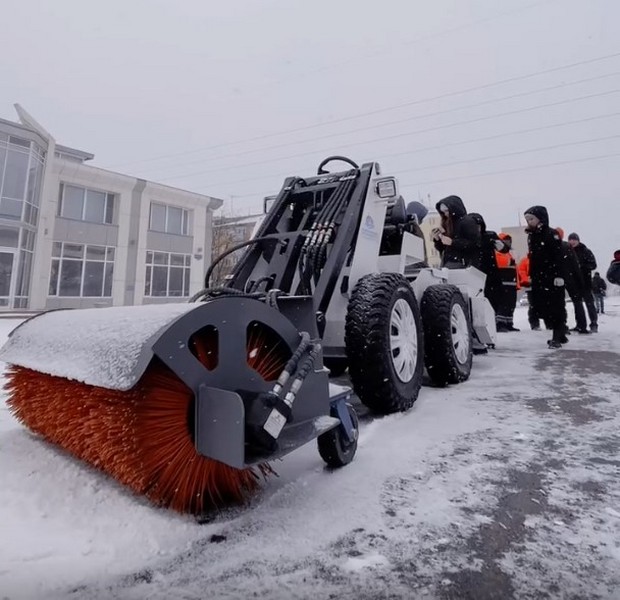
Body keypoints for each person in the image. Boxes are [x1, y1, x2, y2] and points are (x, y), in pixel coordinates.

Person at [523, 206, 568, 349]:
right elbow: (533, 258)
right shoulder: (532, 236)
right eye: (527, 220)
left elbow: (558, 256)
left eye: (531, 219)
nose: (529, 222)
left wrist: (559, 275)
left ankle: (557, 336)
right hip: (539, 277)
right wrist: (531, 275)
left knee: (556, 307)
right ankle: (560, 333)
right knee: (542, 307)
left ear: (540, 219)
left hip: (552, 277)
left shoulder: (551, 234)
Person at [469, 213, 508, 325]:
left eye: (478, 226)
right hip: (475, 272)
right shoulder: (467, 238)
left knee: (494, 298)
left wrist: (502, 246)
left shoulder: (489, 236)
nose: (477, 229)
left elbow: (504, 249)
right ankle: (483, 322)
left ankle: (496, 322)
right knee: (478, 299)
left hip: (491, 272)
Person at [432, 196, 480, 268]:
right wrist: (437, 239)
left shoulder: (467, 221)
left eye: (446, 211)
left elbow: (474, 243)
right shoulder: (447, 223)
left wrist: (452, 242)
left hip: (463, 263)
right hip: (450, 262)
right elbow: (443, 248)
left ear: (454, 209)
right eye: (443, 212)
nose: (445, 214)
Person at [556, 227, 588, 335]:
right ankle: (582, 326)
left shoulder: (549, 247)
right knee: (577, 302)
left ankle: (561, 326)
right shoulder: (566, 247)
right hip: (570, 278)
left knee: (559, 303)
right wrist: (580, 281)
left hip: (556, 278)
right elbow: (575, 265)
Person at [568, 233, 598, 332]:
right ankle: (580, 325)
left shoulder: (585, 251)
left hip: (585, 282)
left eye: (574, 240)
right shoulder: (568, 252)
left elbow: (593, 265)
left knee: (589, 303)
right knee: (577, 305)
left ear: (578, 240)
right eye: (570, 240)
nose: (572, 242)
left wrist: (582, 267)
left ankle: (594, 324)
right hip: (574, 283)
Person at [495, 232, 520, 331]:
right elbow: (500, 263)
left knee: (511, 304)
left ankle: (509, 323)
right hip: (503, 283)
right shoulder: (497, 252)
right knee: (503, 304)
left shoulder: (510, 253)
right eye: (505, 241)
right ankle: (500, 324)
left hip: (512, 283)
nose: (508, 243)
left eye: (509, 241)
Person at [517, 254, 541, 330]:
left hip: (543, 286)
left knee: (547, 305)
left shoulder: (544, 258)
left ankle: (549, 323)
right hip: (531, 286)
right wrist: (527, 281)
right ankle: (535, 324)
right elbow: (521, 271)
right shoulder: (525, 261)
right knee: (533, 305)